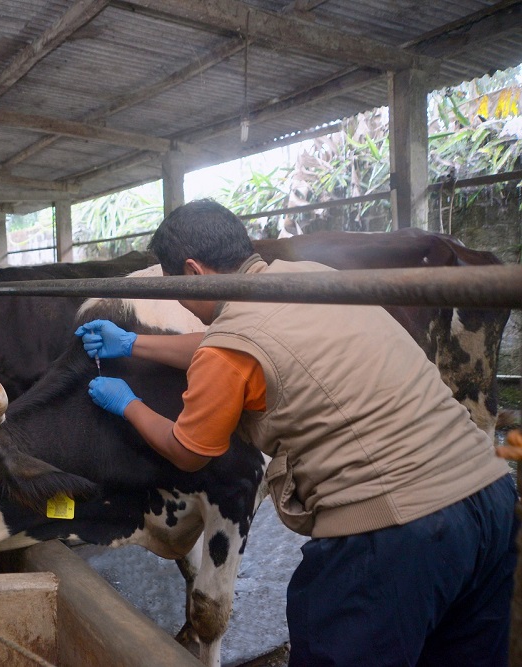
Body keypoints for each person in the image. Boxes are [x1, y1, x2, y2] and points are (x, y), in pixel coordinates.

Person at [75, 200, 517, 666]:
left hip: (394, 532)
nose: (181, 303)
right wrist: (134, 344)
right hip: (488, 498)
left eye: (178, 289)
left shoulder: (227, 350)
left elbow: (188, 450)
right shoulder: (305, 275)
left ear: (193, 270)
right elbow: (240, 342)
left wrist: (129, 404)